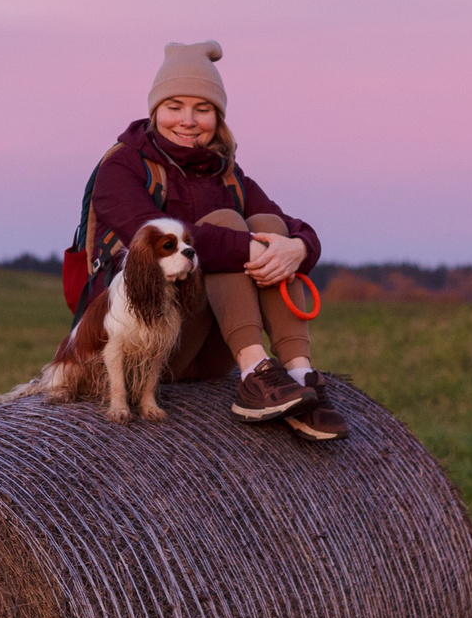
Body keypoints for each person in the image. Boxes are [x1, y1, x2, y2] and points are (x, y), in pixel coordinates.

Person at [83, 41, 348, 441]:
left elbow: (289, 226)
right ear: (155, 111)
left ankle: (300, 375)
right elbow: (147, 232)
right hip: (145, 344)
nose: (188, 121)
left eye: (203, 109)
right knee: (226, 226)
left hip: (210, 347)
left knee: (268, 225)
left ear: (218, 117)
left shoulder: (228, 175)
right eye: (174, 106)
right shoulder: (121, 167)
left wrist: (300, 248)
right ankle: (254, 371)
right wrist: (246, 248)